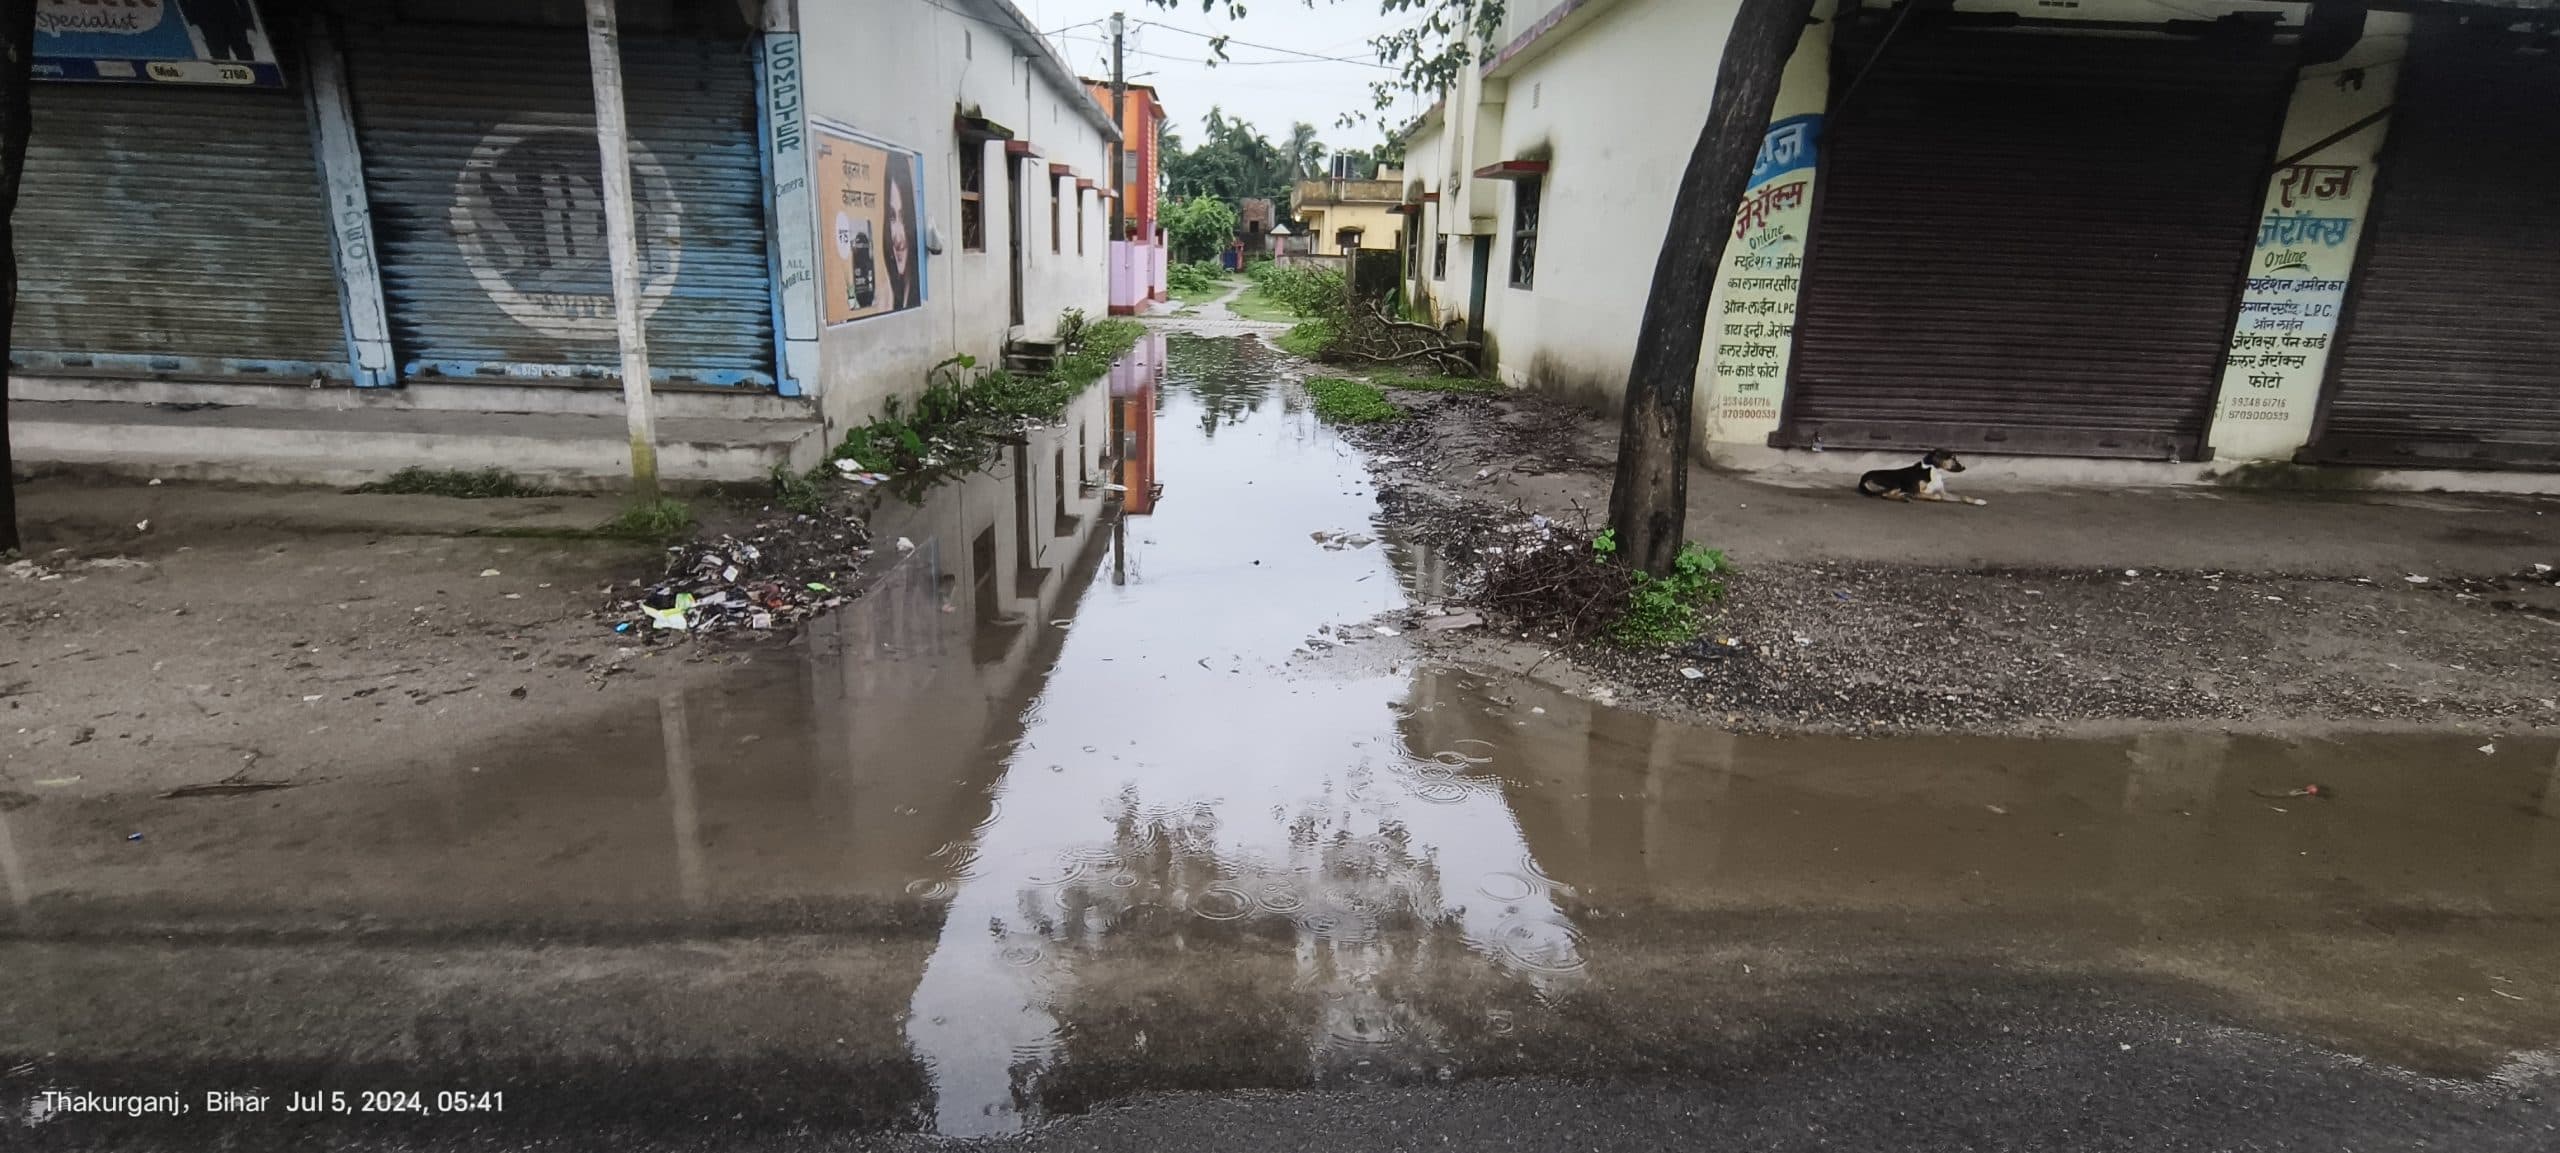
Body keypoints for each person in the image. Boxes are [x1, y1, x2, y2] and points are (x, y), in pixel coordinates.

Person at [881, 158, 922, 310]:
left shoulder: (916, 293)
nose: (898, 239)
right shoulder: (889, 296)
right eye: (892, 217)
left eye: (903, 218)